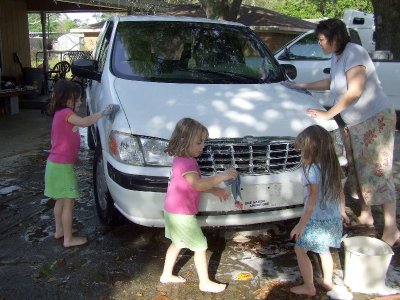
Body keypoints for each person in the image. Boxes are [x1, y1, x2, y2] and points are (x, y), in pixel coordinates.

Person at [288, 18, 400, 247]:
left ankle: (392, 229)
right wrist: (301, 86)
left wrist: (329, 115)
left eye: (321, 40)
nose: (319, 44)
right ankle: (366, 216)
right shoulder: (337, 56)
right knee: (359, 170)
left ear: (335, 37)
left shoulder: (354, 52)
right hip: (356, 122)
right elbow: (333, 82)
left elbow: (355, 91)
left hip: (374, 119)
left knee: (378, 171)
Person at [160, 117, 237, 293]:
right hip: (181, 214)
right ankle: (204, 282)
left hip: (172, 211)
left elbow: (193, 185)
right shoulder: (186, 162)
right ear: (184, 141)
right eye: (198, 142)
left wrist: (215, 190)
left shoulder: (181, 159)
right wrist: (223, 176)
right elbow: (198, 184)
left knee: (177, 243)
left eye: (203, 142)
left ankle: (166, 275)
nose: (202, 146)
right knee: (201, 245)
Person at [44, 79, 115, 248]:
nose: (81, 102)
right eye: (78, 99)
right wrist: (103, 113)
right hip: (61, 168)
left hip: (55, 165)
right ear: (68, 100)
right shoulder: (66, 114)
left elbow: (65, 139)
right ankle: (68, 239)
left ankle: (59, 230)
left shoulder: (60, 116)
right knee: (69, 202)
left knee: (60, 201)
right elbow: (85, 122)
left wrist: (73, 157)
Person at [290, 125, 350, 296]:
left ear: (310, 150)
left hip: (316, 220)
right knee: (324, 250)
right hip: (332, 218)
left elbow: (312, 199)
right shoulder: (333, 165)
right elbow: (340, 191)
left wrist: (301, 225)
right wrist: (343, 211)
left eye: (302, 151)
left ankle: (309, 287)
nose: (301, 154)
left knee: (300, 250)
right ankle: (327, 281)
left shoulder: (311, 170)